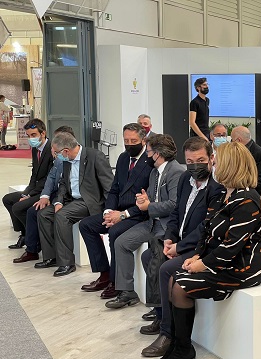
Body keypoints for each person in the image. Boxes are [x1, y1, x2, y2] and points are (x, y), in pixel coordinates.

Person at [152, 141, 261, 359]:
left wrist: (201, 264)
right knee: (175, 277)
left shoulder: (247, 199)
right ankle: (179, 344)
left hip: (243, 265)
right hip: (223, 258)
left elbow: (232, 247)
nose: (212, 164)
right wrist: (196, 254)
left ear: (230, 166)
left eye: (216, 161)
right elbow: (206, 232)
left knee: (181, 286)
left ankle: (183, 348)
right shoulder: (224, 195)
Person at [140, 138, 224, 357]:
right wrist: (169, 238)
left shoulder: (217, 188)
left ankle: (169, 334)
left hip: (200, 246)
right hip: (180, 240)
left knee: (166, 269)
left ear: (211, 159)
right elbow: (177, 212)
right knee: (149, 256)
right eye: (190, 161)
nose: (195, 165)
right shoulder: (187, 178)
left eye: (201, 160)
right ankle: (161, 316)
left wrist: (179, 247)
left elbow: (207, 226)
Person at [105, 134, 185, 309]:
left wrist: (149, 206)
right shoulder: (155, 172)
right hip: (151, 222)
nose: (146, 156)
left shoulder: (176, 171)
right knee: (121, 243)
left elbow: (174, 205)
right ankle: (127, 291)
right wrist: (143, 199)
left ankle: (158, 307)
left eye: (148, 152)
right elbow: (150, 197)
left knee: (152, 257)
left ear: (157, 153)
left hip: (165, 225)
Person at [79, 123, 153, 298]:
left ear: (143, 140)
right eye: (126, 140)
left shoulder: (149, 162)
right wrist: (108, 211)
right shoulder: (122, 158)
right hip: (117, 210)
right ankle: (103, 274)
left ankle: (115, 282)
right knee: (86, 225)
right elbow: (114, 189)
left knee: (115, 232)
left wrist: (122, 215)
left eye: (133, 140)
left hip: (138, 214)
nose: (129, 144)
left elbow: (149, 198)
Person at [35, 132, 113, 276]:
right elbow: (63, 183)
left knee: (62, 216)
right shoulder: (66, 159)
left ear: (65, 151)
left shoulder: (95, 156)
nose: (56, 156)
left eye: (57, 152)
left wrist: (109, 209)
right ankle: (52, 257)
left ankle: (67, 263)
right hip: (71, 199)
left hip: (89, 201)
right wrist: (58, 200)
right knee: (44, 214)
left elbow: (109, 185)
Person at [13, 126, 75, 264]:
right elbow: (51, 178)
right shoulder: (59, 159)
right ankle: (32, 249)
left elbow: (66, 185)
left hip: (68, 198)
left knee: (39, 213)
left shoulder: (74, 158)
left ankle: (44, 252)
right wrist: (44, 196)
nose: (54, 147)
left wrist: (56, 200)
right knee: (32, 211)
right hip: (54, 194)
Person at [3, 119, 54, 249]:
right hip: (35, 189)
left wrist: (30, 195)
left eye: (33, 135)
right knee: (8, 199)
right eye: (29, 136)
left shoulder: (52, 150)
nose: (31, 138)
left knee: (18, 207)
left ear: (43, 133)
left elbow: (49, 179)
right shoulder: (35, 149)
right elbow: (34, 175)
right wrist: (26, 192)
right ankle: (25, 234)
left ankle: (33, 238)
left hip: (46, 192)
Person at [231, 126, 261, 217]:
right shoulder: (239, 152)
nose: (231, 143)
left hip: (259, 202)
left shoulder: (260, 154)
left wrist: (240, 187)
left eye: (232, 140)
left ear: (238, 140)